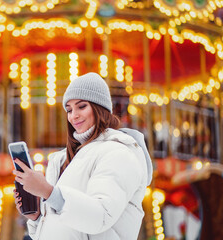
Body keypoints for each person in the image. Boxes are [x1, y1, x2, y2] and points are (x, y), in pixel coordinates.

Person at [13, 72, 153, 240]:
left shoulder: (119, 152)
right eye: (69, 109)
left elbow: (100, 216)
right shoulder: (62, 161)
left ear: (99, 107)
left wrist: (48, 192)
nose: (74, 116)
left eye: (81, 106)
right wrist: (37, 217)